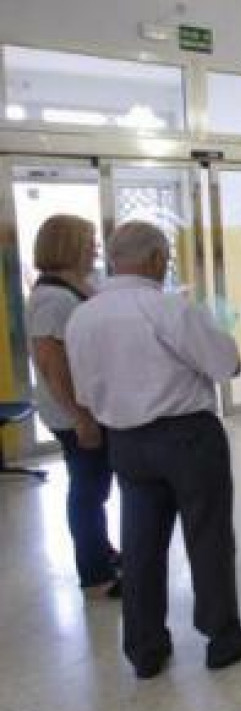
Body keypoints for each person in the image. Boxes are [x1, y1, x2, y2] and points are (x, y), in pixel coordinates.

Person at [65, 221, 241, 679]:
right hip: (187, 436)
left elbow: (84, 391)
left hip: (125, 442)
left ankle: (145, 647)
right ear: (157, 259)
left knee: (140, 543)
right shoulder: (168, 308)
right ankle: (222, 636)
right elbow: (226, 364)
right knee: (208, 534)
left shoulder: (83, 317)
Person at [26, 214, 121, 599]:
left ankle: (102, 551)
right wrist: (80, 417)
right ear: (67, 246)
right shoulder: (53, 298)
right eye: (89, 240)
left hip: (88, 406)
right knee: (88, 491)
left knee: (95, 487)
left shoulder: (76, 286)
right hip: (74, 413)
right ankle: (95, 575)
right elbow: (51, 362)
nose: (95, 248)